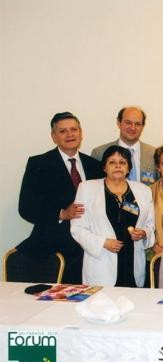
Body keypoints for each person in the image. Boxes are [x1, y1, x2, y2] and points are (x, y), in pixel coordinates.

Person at [17, 112, 103, 283]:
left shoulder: (94, 165)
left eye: (74, 129)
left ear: (81, 133)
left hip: (93, 249)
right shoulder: (39, 163)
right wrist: (61, 214)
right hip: (55, 250)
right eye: (63, 131)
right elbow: (26, 207)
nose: (70, 134)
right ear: (53, 136)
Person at [71, 146, 155, 287]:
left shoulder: (144, 191)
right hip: (101, 263)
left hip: (132, 263)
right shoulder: (87, 189)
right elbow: (77, 229)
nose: (118, 166)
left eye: (122, 162)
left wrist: (144, 233)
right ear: (104, 167)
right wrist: (102, 242)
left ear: (128, 168)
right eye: (112, 162)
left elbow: (150, 225)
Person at [91, 106, 157, 186]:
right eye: (128, 123)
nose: (133, 128)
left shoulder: (154, 154)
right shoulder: (99, 153)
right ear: (119, 123)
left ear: (142, 127)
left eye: (137, 124)